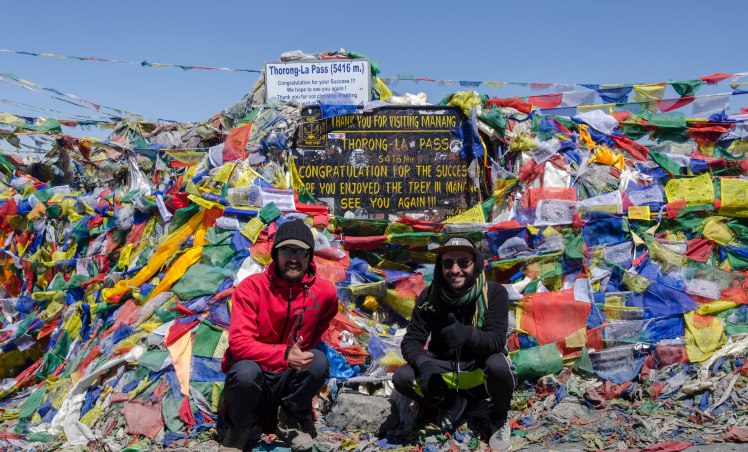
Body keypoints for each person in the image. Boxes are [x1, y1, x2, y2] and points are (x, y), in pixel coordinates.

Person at [220, 218, 338, 452]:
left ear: (310, 256)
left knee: (317, 362)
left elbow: (321, 324)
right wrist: (285, 355)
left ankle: (290, 419)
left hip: (288, 378)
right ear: (275, 254)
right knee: (244, 371)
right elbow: (239, 344)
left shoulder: (325, 293)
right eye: (286, 250)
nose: (293, 258)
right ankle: (240, 427)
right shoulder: (251, 288)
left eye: (300, 251)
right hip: (257, 375)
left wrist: (297, 358)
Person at [394, 236, 514, 451]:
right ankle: (450, 405)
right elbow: (412, 340)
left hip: (478, 374)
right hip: (445, 375)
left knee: (499, 365)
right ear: (440, 267)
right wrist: (424, 363)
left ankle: (498, 418)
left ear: (475, 264)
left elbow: (496, 341)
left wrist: (469, 335)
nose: (455, 270)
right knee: (402, 377)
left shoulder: (494, 293)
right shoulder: (429, 297)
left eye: (463, 263)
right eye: (448, 263)